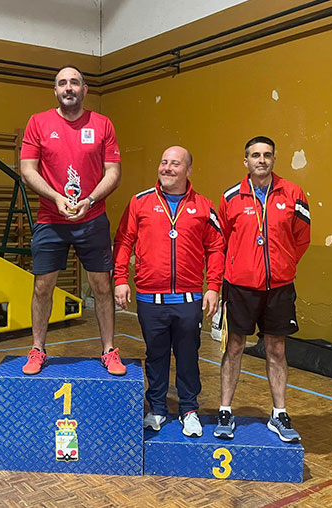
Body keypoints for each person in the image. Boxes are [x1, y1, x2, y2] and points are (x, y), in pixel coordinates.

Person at [19, 65, 125, 376]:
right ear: (55, 90)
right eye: (63, 83)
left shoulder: (103, 124)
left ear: (84, 90)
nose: (69, 88)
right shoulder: (38, 123)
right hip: (51, 219)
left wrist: (90, 199)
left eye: (75, 82)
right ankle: (37, 349)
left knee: (101, 286)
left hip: (92, 218)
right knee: (42, 287)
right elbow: (28, 169)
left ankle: (108, 350)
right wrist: (55, 197)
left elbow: (114, 172)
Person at [113, 146, 225, 437]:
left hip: (189, 299)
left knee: (188, 356)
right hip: (150, 299)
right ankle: (158, 408)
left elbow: (216, 248)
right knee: (156, 356)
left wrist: (213, 287)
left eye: (175, 164)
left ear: (188, 171)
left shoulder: (204, 206)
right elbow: (124, 241)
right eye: (164, 162)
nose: (167, 168)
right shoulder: (140, 202)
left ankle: (189, 409)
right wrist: (120, 278)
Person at [214, 136, 310, 443]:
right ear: (246, 161)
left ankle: (279, 413)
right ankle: (225, 410)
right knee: (234, 347)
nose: (262, 160)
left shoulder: (293, 193)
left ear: (274, 159)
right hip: (240, 288)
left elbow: (302, 237)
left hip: (279, 288)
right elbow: (221, 242)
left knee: (276, 350)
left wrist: (283, 265)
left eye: (267, 155)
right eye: (255, 155)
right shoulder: (230, 197)